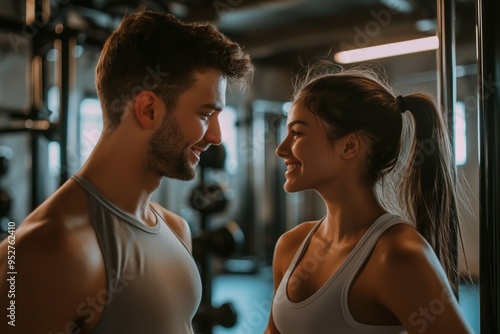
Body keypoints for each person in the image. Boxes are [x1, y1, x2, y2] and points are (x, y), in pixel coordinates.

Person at [0, 11, 253, 334]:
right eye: (206, 114)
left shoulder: (176, 229)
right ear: (148, 110)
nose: (216, 136)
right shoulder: (47, 249)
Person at [265, 66, 474, 334]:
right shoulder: (290, 245)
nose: (281, 149)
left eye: (296, 132)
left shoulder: (397, 255)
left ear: (350, 146)